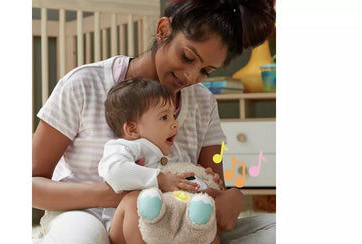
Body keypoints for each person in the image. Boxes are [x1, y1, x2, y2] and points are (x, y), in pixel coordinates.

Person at [32, 0, 276, 243]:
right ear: (162, 31)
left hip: (169, 222)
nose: (191, 76)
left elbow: (212, 181)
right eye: (187, 56)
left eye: (206, 71)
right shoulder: (83, 84)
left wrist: (232, 197)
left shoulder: (203, 103)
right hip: (84, 214)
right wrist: (117, 195)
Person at [99, 78, 220, 244]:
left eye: (173, 116)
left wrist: (206, 182)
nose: (175, 124)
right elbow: (114, 171)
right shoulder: (125, 147)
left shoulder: (174, 154)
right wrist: (159, 179)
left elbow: (183, 186)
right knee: (134, 199)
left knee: (207, 230)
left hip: (167, 227)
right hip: (125, 230)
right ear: (132, 129)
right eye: (164, 117)